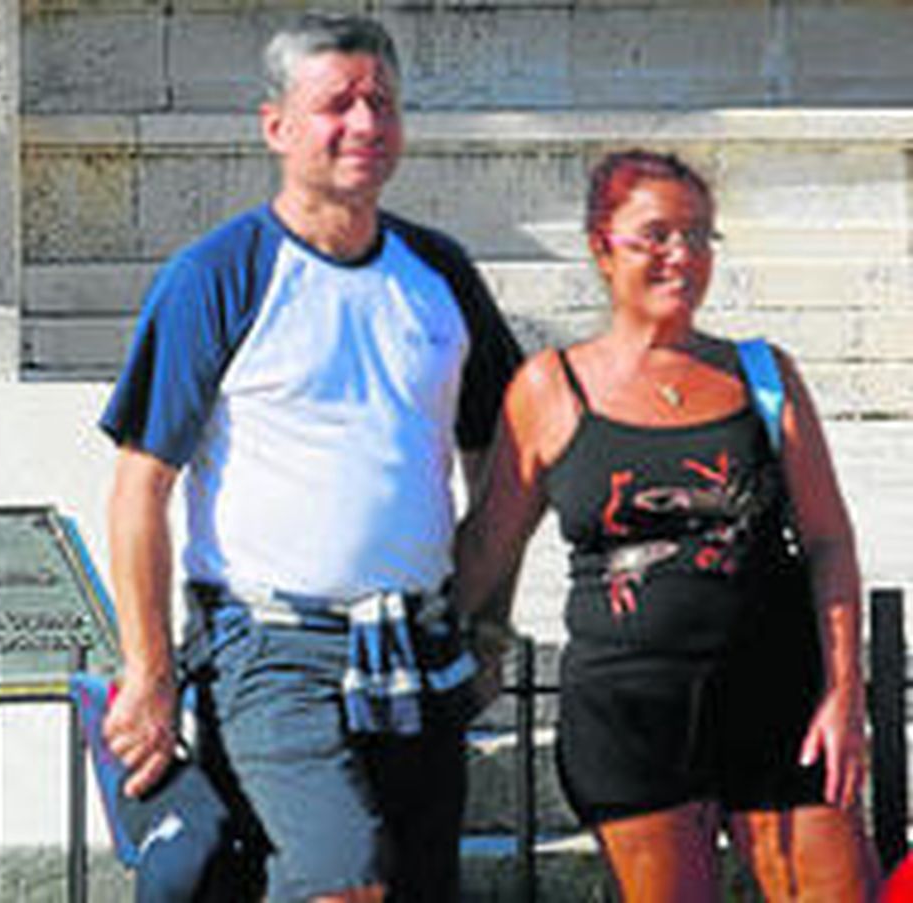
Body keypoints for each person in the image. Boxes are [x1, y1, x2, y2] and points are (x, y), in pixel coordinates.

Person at [96, 13, 523, 901]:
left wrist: (487, 619)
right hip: (270, 649)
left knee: (407, 883)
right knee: (343, 876)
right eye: (337, 104)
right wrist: (149, 672)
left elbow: (505, 460)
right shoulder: (218, 274)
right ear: (276, 126)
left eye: (383, 103)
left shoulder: (439, 273)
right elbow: (141, 488)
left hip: (416, 642)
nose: (365, 124)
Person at [452, 148, 880, 900]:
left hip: (777, 699)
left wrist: (844, 695)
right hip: (629, 716)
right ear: (601, 246)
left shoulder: (763, 374)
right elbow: (488, 544)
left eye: (698, 234)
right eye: (655, 235)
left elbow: (829, 541)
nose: (680, 255)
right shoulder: (551, 387)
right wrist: (434, 645)